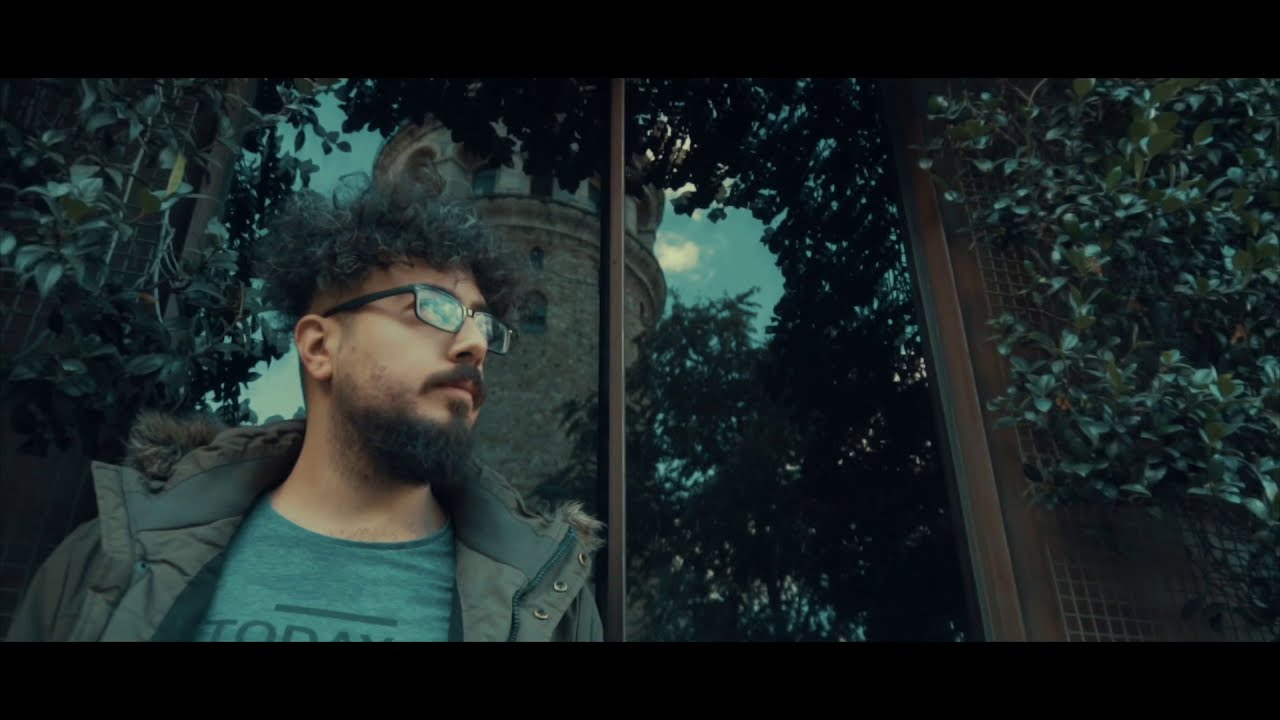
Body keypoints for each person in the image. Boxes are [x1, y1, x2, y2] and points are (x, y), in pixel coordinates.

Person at [5, 177, 605, 642]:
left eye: (483, 323)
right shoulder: (108, 563)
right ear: (320, 347)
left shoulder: (551, 603)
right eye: (435, 308)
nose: (474, 343)